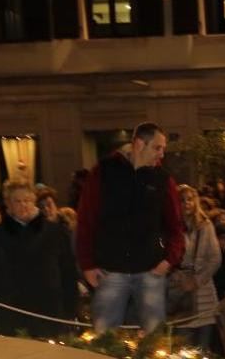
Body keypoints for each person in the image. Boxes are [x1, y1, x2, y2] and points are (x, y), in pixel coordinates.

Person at [76, 123, 183, 334]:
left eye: (163, 149)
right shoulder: (103, 172)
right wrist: (87, 263)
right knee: (103, 336)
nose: (161, 154)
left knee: (155, 340)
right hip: (109, 269)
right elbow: (86, 219)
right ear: (140, 144)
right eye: (157, 147)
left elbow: (175, 225)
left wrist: (170, 259)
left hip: (150, 269)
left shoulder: (163, 179)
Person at [0, 181, 82, 339]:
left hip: (50, 308)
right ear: (8, 205)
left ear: (34, 201)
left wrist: (71, 309)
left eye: (27, 200)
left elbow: (68, 272)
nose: (23, 205)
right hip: (13, 310)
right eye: (17, 201)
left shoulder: (55, 232)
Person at [169, 184, 223, 351]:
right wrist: (178, 276)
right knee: (181, 346)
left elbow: (215, 258)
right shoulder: (169, 227)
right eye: (182, 200)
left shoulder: (205, 226)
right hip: (179, 290)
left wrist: (197, 280)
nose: (186, 203)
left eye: (190, 199)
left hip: (203, 290)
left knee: (203, 347)